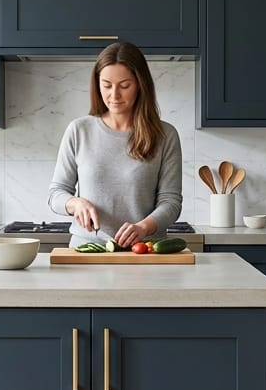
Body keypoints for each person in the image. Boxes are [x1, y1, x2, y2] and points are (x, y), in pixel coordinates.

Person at [47, 41, 183, 248]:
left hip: (144, 252)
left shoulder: (166, 135)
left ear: (140, 84)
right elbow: (56, 194)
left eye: (125, 85)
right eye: (107, 85)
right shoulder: (79, 130)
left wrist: (144, 228)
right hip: (87, 251)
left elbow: (171, 202)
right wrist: (75, 203)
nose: (114, 95)